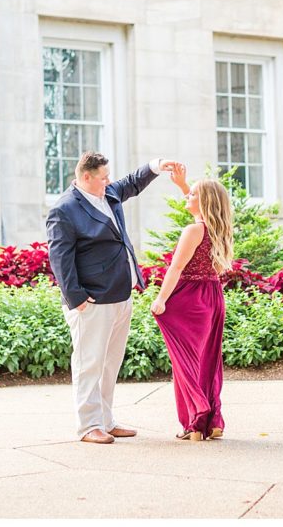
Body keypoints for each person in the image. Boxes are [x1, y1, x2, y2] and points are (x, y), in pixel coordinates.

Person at [46, 151, 183, 444]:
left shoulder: (107, 193)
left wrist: (156, 166)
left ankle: (106, 421)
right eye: (104, 177)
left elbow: (132, 182)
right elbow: (60, 259)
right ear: (86, 177)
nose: (110, 181)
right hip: (92, 301)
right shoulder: (65, 210)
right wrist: (77, 298)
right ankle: (88, 426)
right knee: (89, 364)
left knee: (110, 364)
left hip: (121, 295)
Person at [151, 168, 232, 442]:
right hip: (212, 297)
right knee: (207, 360)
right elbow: (201, 207)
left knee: (185, 362)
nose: (188, 197)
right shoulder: (218, 229)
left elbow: (175, 269)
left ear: (205, 201)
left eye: (193, 194)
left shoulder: (192, 231)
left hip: (188, 298)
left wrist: (160, 300)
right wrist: (185, 185)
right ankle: (212, 422)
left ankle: (195, 422)